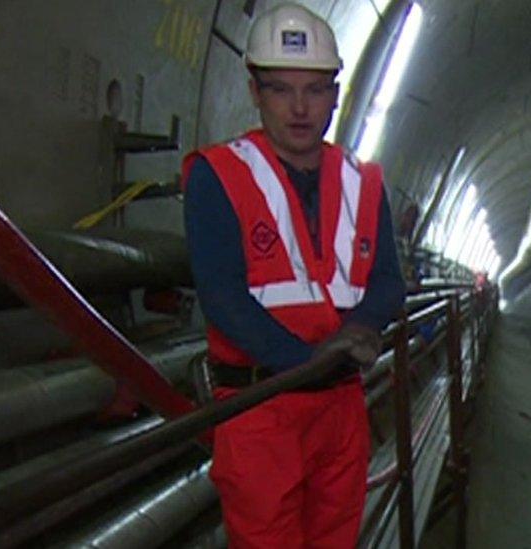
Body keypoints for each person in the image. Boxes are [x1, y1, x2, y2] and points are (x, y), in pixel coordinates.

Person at [181, 3, 406, 547]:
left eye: (315, 90)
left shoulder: (363, 181)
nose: (300, 108)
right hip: (261, 409)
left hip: (340, 406)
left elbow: (388, 282)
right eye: (281, 90)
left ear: (335, 92)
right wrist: (309, 360)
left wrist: (363, 327)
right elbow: (222, 297)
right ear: (255, 92)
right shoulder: (219, 176)